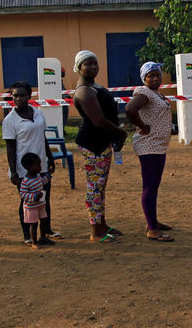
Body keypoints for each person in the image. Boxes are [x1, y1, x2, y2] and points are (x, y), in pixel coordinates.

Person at [72, 50, 128, 243]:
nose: (93, 67)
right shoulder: (84, 91)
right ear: (79, 67)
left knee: (100, 187)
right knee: (95, 188)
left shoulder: (92, 86)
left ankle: (102, 224)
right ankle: (96, 232)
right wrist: (120, 133)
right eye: (87, 64)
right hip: (93, 143)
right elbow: (98, 120)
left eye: (95, 63)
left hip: (101, 141)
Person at [2, 81, 61, 246]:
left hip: (41, 166)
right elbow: (10, 148)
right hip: (24, 171)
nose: (19, 98)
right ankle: (28, 235)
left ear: (29, 95)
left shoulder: (38, 113)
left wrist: (50, 158)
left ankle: (45, 232)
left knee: (44, 199)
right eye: (15, 96)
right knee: (27, 203)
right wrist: (13, 171)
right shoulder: (10, 120)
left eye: (22, 95)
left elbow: (43, 137)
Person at [125, 62, 177, 242]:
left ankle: (152, 221)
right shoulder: (144, 92)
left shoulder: (156, 94)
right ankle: (153, 230)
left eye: (157, 75)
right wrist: (142, 126)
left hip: (157, 145)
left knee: (154, 185)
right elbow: (130, 109)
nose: (155, 78)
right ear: (144, 78)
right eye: (151, 76)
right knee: (150, 185)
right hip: (149, 146)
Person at [18, 153, 48, 250]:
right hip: (31, 207)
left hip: (41, 204)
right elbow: (23, 194)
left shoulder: (38, 176)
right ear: (29, 167)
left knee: (43, 220)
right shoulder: (26, 181)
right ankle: (34, 242)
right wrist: (34, 196)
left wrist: (48, 176)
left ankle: (43, 237)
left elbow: (42, 182)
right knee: (34, 224)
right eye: (38, 165)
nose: (40, 167)